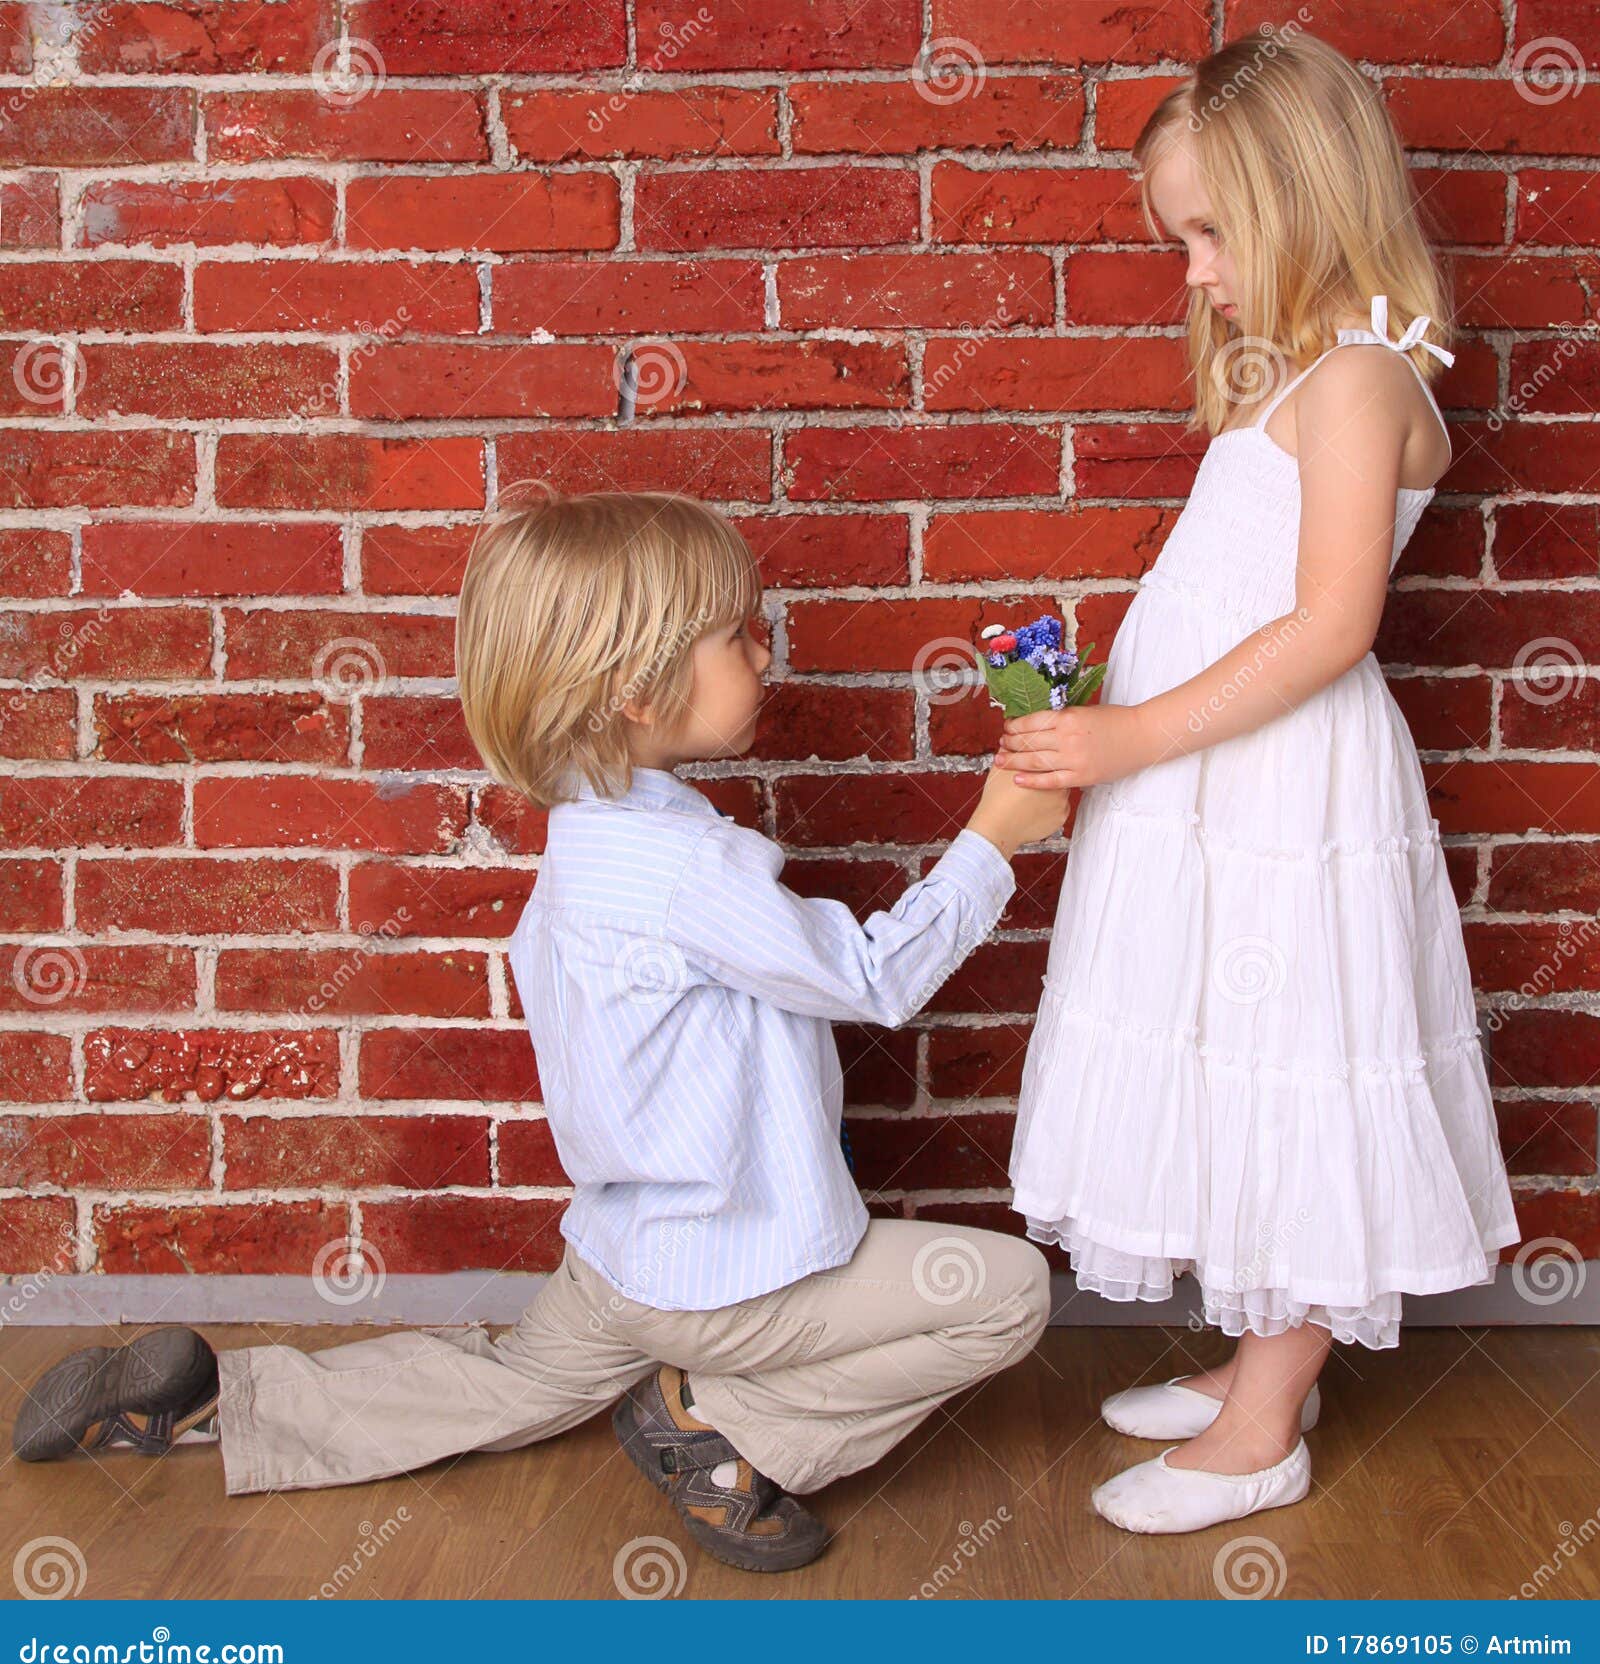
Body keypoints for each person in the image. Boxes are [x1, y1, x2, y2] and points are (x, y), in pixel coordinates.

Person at [14, 485, 1063, 1576]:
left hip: (622, 1253)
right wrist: (995, 835)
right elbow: (874, 976)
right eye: (738, 632)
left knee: (514, 1380)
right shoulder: (689, 865)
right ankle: (719, 1431)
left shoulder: (585, 843)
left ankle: (209, 1405)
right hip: (724, 1279)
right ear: (634, 687)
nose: (766, 652)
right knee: (1005, 1296)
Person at [993, 29, 1519, 1534]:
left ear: (1305, 195)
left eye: (1215, 231)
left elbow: (1328, 624)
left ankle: (1268, 1424)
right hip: (1214, 783)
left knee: (1299, 1058)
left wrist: (1129, 739)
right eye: (1186, 238)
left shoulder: (1358, 378)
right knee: (1233, 1049)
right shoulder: (1302, 366)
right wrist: (1115, 697)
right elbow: (1233, 589)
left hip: (1282, 793)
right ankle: (1250, 1363)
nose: (1200, 271)